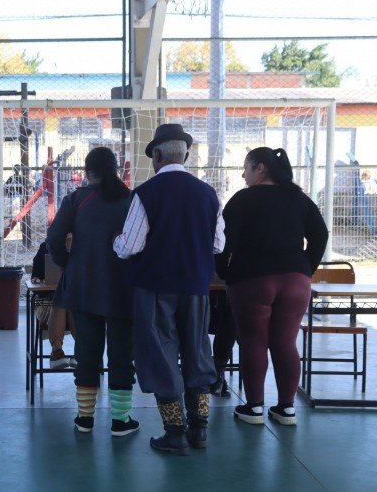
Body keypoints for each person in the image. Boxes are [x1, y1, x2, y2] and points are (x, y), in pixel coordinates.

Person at [113, 124, 225, 455]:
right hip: (195, 287)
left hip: (155, 288)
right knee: (197, 349)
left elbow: (130, 246)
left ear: (157, 157)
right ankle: (200, 429)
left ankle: (174, 432)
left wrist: (114, 243)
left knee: (160, 353)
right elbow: (218, 244)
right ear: (186, 155)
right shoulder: (207, 193)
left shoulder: (146, 193)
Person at [216, 147, 328, 426]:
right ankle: (286, 408)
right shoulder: (299, 198)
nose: (243, 174)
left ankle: (253, 407)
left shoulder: (242, 199)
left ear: (261, 168)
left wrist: (225, 272)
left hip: (252, 278)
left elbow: (224, 240)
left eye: (246, 167)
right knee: (285, 342)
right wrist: (306, 269)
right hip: (295, 280)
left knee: (253, 340)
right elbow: (321, 233)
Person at [47, 147, 137, 436]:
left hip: (83, 285)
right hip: (124, 287)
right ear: (116, 169)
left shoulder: (75, 199)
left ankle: (85, 418)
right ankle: (120, 421)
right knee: (122, 353)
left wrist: (68, 263)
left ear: (87, 172)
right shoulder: (132, 200)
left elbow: (54, 238)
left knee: (87, 351)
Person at [30, 241, 77, 369]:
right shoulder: (47, 246)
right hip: (47, 302)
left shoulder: (84, 247)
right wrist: (39, 280)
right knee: (62, 300)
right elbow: (35, 278)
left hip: (76, 303)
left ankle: (57, 352)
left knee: (67, 301)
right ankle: (81, 351)